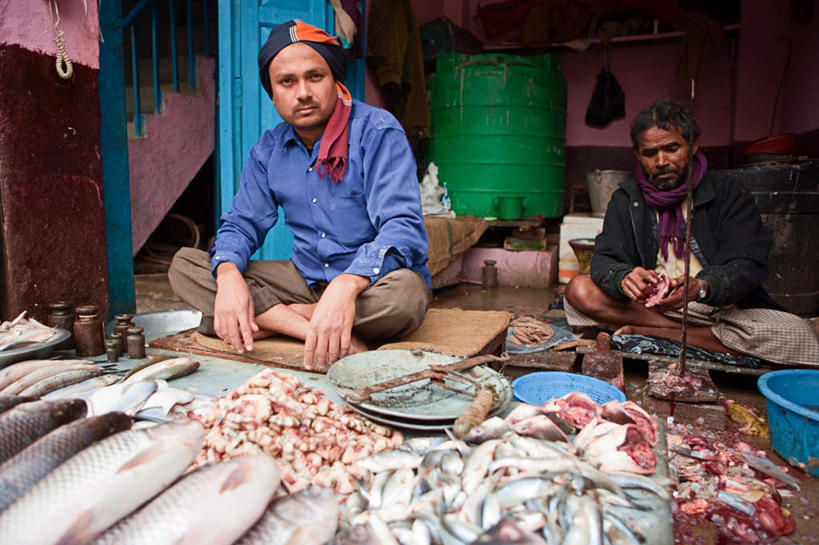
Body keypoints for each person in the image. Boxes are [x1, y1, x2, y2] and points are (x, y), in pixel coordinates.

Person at [169, 20, 431, 371]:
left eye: (315, 77)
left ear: (335, 80)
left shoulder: (377, 132)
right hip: (304, 279)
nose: (303, 92)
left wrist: (346, 284)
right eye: (287, 82)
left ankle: (275, 320)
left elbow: (403, 229)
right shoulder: (268, 150)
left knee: (407, 298)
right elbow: (241, 225)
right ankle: (311, 328)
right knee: (187, 267)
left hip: (370, 284)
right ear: (273, 93)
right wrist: (230, 276)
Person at [565, 98, 819, 365]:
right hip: (650, 307)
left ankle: (658, 334)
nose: (661, 161)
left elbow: (748, 263)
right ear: (638, 155)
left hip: (715, 308)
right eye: (650, 153)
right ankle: (689, 335)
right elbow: (605, 259)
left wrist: (702, 286)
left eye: (672, 148)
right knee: (579, 291)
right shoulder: (627, 199)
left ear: (694, 144)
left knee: (796, 334)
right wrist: (622, 276)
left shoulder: (728, 192)